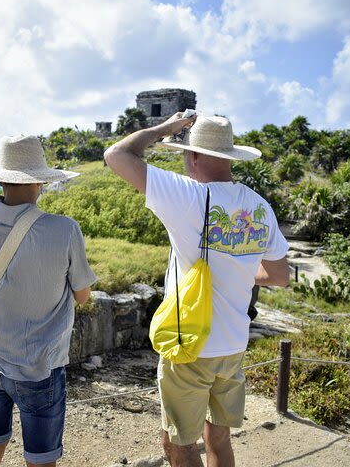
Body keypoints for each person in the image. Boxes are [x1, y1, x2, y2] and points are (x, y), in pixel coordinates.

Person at [104, 113, 290, 467]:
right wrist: (236, 267)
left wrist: (165, 129)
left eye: (185, 152)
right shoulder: (260, 207)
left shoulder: (188, 196)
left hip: (191, 344)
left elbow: (117, 156)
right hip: (234, 344)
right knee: (218, 437)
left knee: (180, 445)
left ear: (194, 156)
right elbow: (279, 276)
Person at [0, 134, 97, 467]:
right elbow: (83, 295)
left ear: (0, 180)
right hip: (39, 368)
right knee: (40, 460)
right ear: (40, 180)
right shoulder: (64, 229)